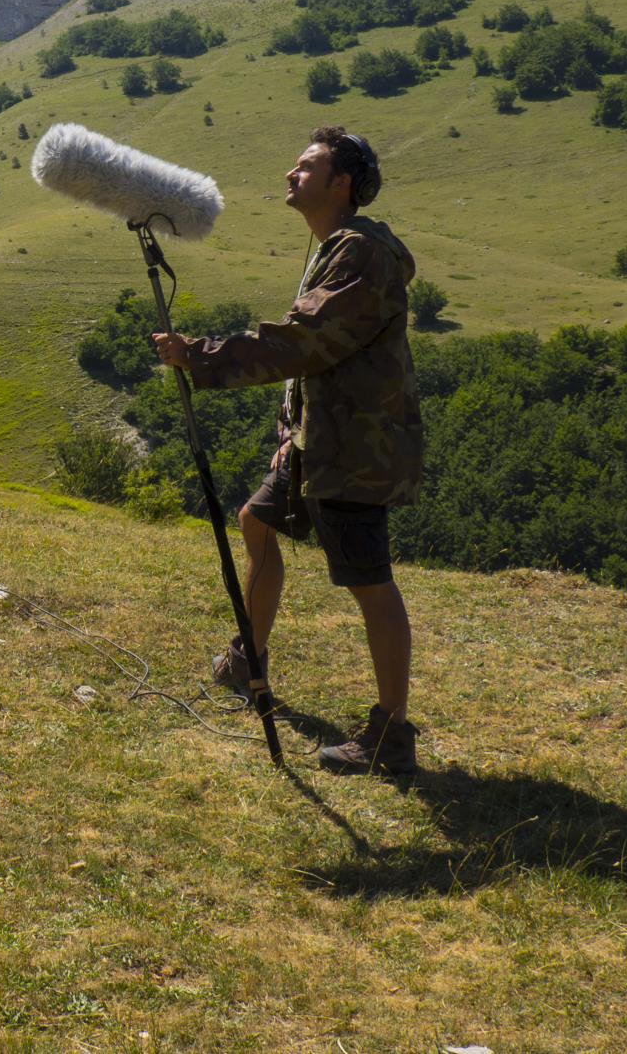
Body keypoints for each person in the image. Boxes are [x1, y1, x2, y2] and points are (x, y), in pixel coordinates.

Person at [150, 126, 425, 776]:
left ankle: (392, 734)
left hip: (356, 447)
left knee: (370, 583)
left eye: (306, 166)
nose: (289, 174)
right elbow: (314, 364)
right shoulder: (334, 246)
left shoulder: (360, 252)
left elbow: (305, 342)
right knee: (256, 520)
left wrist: (201, 357)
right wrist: (287, 432)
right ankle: (251, 657)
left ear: (342, 184)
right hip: (318, 438)